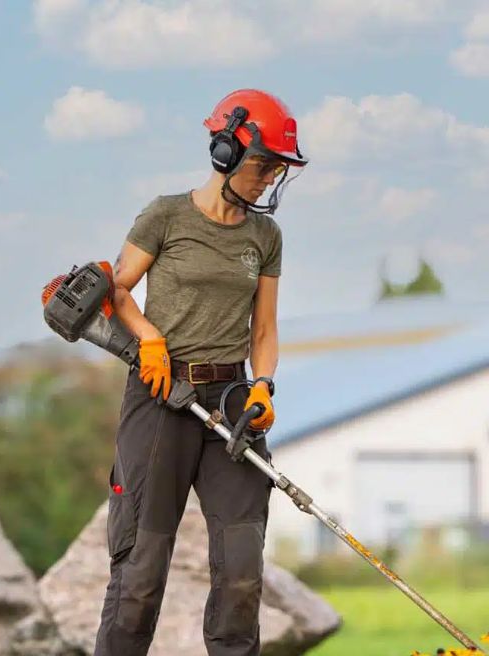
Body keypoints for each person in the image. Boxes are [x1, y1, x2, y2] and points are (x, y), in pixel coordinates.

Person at [93, 89, 308, 656]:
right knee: (141, 570)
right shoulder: (166, 215)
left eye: (277, 170)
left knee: (241, 570)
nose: (268, 179)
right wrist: (149, 338)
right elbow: (117, 289)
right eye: (263, 165)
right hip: (161, 394)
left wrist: (262, 386)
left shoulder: (265, 237)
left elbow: (264, 330)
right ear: (225, 150)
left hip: (231, 400)